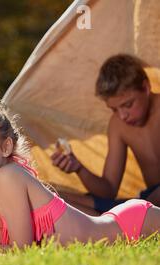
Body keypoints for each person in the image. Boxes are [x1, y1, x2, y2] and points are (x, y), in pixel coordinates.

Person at [0, 98, 160, 253]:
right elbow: (1, 251)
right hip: (116, 218)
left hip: (133, 225)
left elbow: (22, 252)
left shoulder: (9, 176)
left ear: (6, 147)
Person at [51, 54, 160, 216]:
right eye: (114, 109)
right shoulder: (118, 124)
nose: (123, 116)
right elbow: (108, 190)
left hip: (149, 203)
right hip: (148, 201)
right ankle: (125, 216)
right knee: (56, 196)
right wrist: (78, 168)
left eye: (128, 105)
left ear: (145, 88)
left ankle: (123, 217)